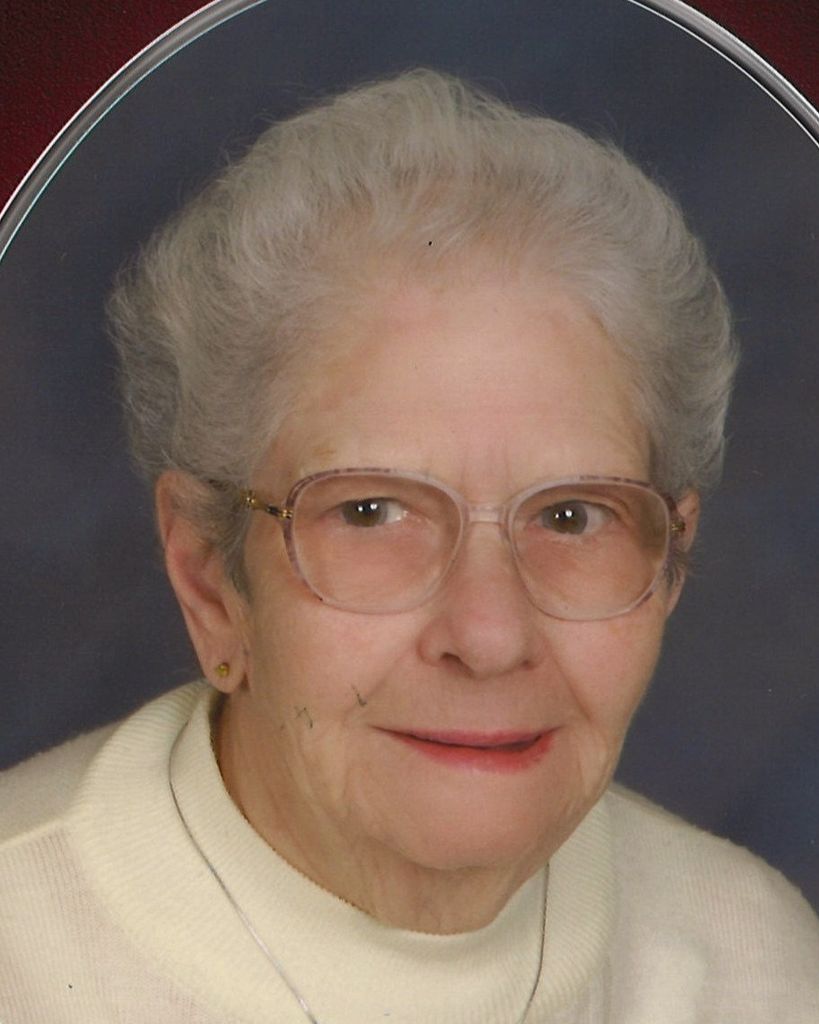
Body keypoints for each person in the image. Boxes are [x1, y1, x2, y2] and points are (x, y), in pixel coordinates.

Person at [1, 68, 817, 1023]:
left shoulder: (755, 966)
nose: (489, 636)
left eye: (570, 517)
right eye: (370, 512)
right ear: (209, 578)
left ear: (669, 565)